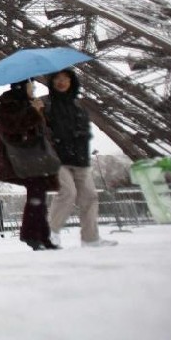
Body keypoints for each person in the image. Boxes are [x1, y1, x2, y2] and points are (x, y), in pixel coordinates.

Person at [43, 69, 118, 247]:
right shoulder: (45, 104)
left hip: (79, 159)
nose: (61, 82)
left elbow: (84, 132)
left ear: (71, 82)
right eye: (57, 79)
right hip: (56, 158)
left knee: (90, 197)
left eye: (65, 79)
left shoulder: (78, 106)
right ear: (52, 82)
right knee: (68, 192)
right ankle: (50, 232)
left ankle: (90, 238)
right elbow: (36, 128)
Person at [0, 79, 60, 251]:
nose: (34, 89)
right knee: (37, 193)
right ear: (22, 86)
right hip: (20, 155)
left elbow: (43, 128)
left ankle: (42, 236)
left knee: (39, 194)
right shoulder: (5, 103)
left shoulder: (29, 102)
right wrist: (33, 111)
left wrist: (41, 110)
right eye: (32, 86)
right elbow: (11, 126)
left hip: (35, 154)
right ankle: (31, 234)